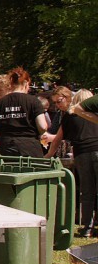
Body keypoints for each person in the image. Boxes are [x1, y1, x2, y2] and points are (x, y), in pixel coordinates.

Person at [46, 88, 98, 236]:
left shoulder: (70, 115)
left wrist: (49, 155)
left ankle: (87, 228)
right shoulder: (95, 114)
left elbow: (57, 139)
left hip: (81, 154)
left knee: (87, 191)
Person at [0, 67, 46, 157]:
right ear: (26, 83)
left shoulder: (0, 103)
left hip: (7, 147)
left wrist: (5, 135)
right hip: (30, 147)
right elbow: (43, 126)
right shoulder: (33, 101)